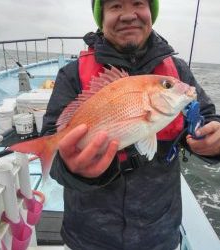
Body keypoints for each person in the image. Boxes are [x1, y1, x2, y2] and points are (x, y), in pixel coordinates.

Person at [41, 0, 220, 249]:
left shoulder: (177, 71)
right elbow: (52, 142)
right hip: (88, 237)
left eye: (138, 3)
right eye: (115, 6)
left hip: (160, 235)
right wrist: (72, 169)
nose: (128, 15)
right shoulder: (71, 75)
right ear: (101, 18)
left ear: (151, 12)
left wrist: (214, 142)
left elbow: (207, 118)